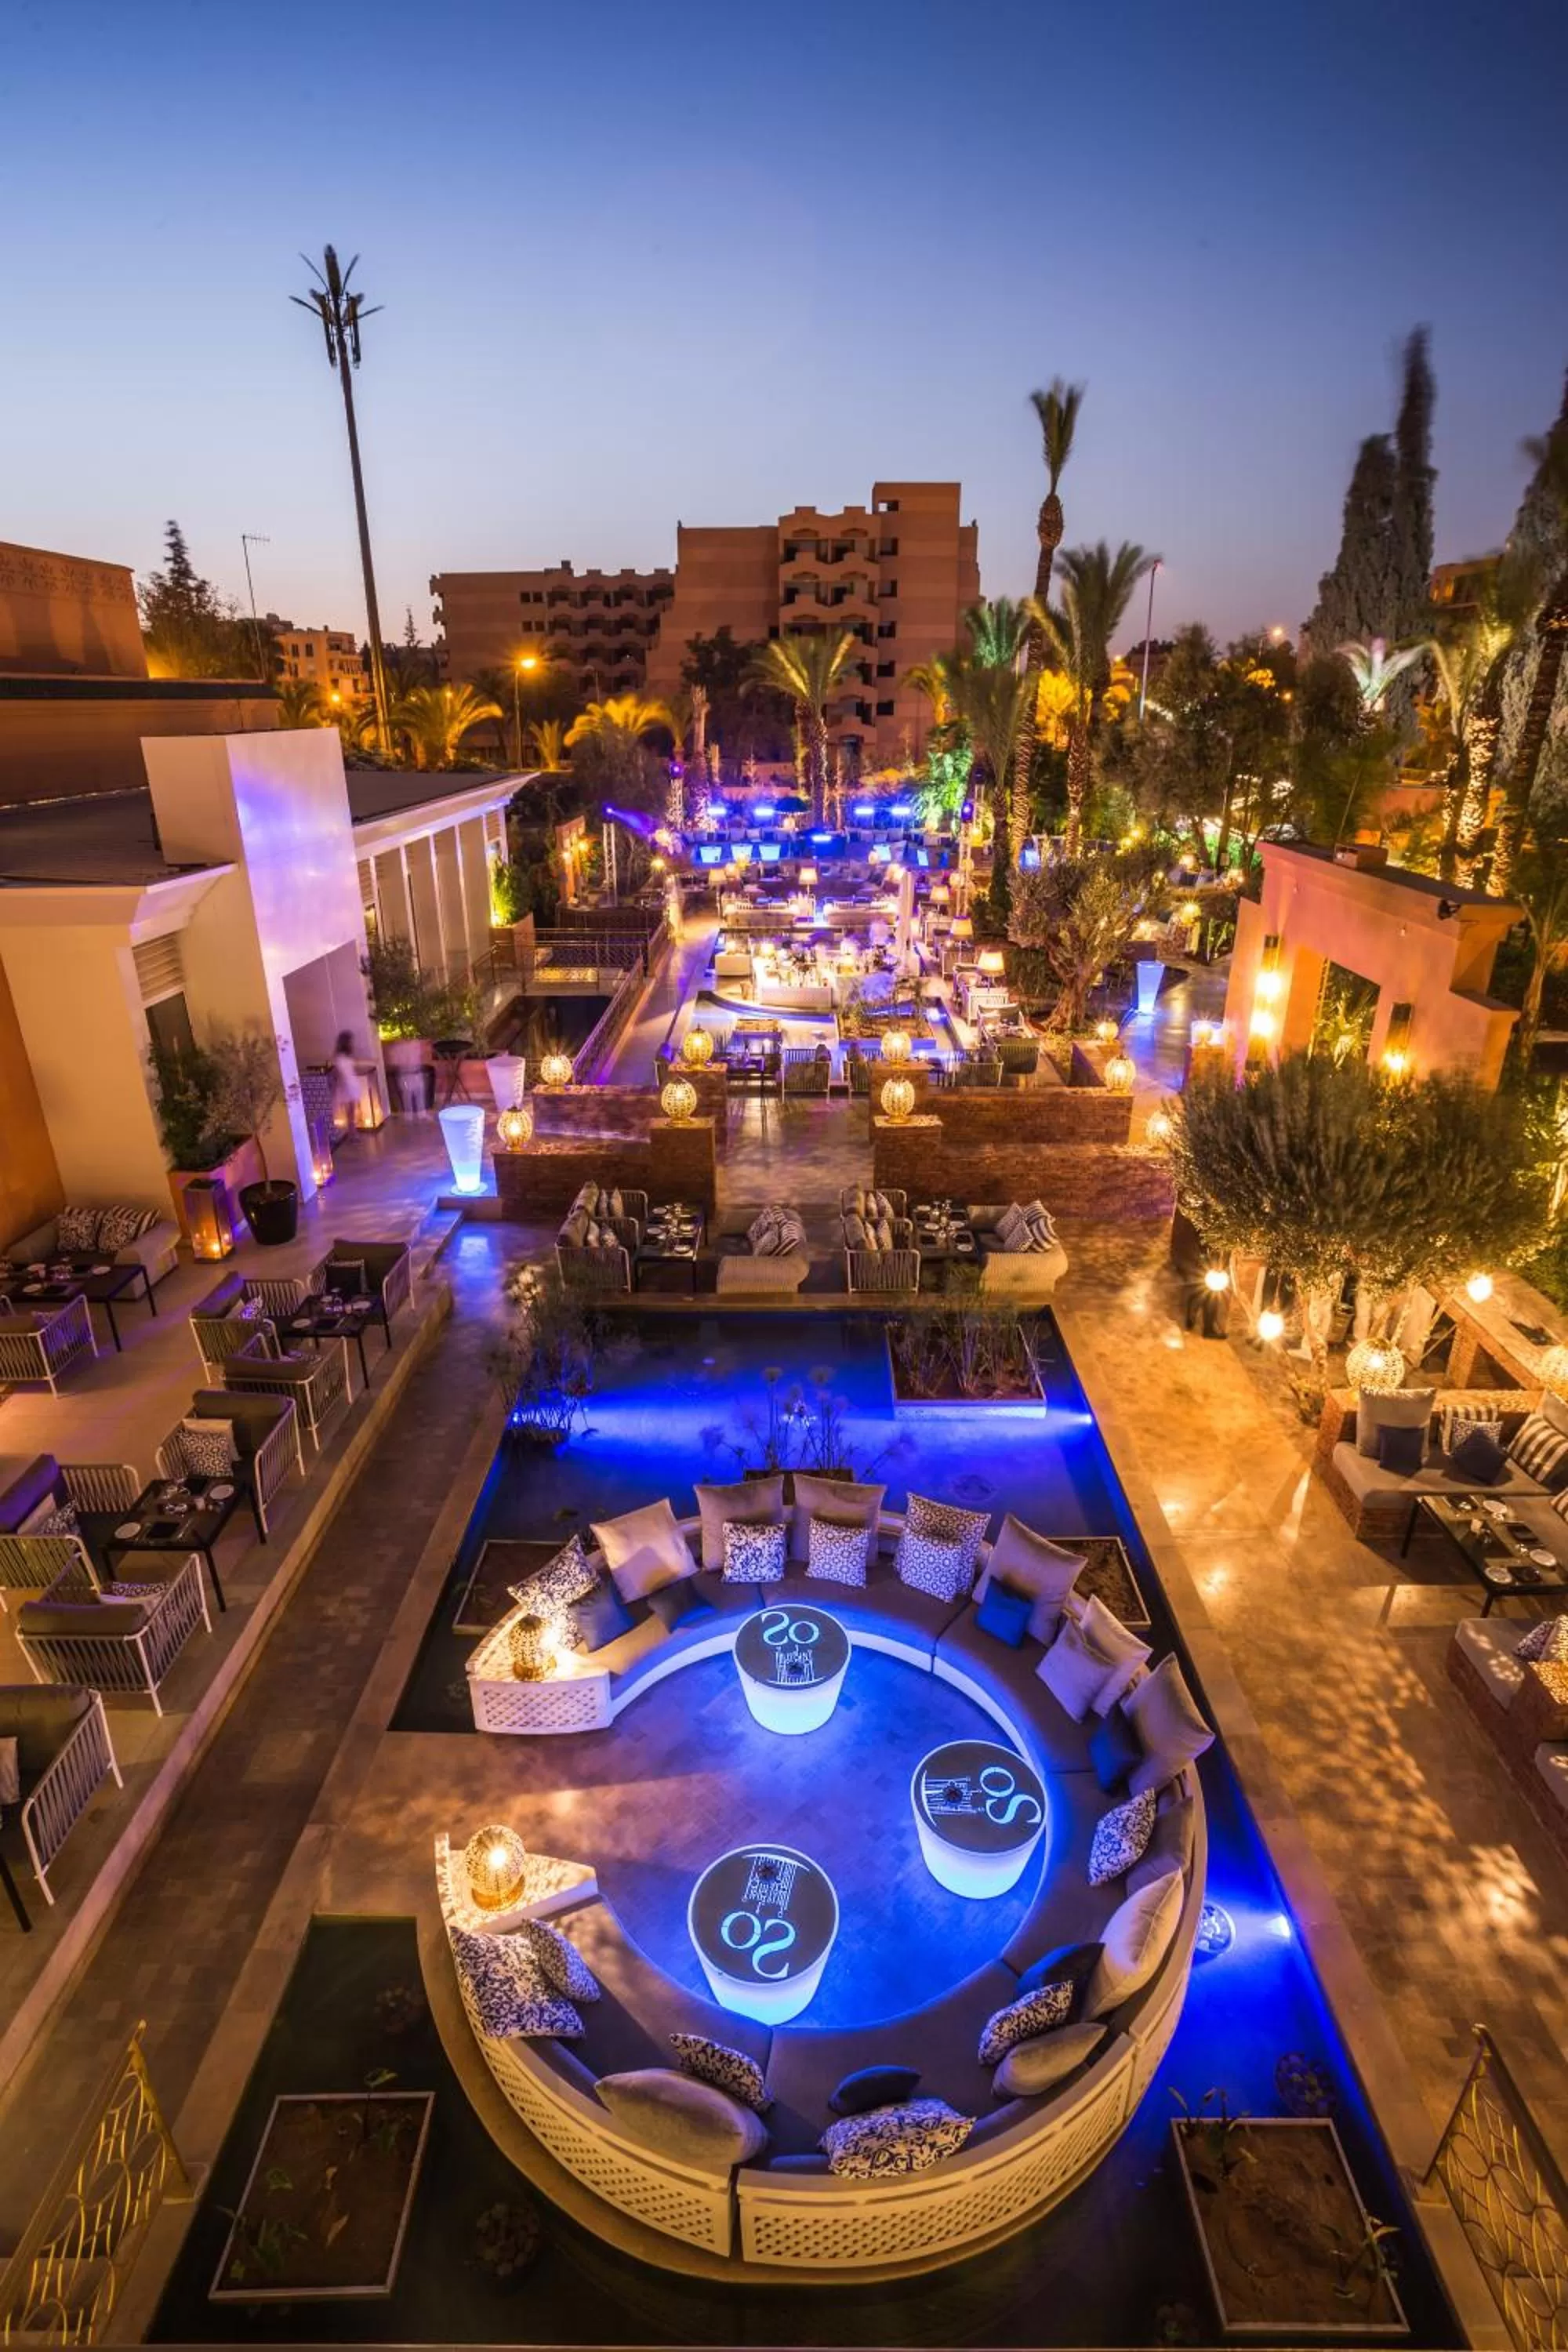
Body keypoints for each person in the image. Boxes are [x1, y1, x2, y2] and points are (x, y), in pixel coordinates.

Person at [331, 1030, 368, 1128]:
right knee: (350, 1112)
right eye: (350, 1041)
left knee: (351, 1111)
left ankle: (353, 1130)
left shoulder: (345, 1056)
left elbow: (348, 1069)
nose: (352, 1043)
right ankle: (352, 1131)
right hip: (347, 1084)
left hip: (351, 1083)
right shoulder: (341, 1057)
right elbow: (339, 1072)